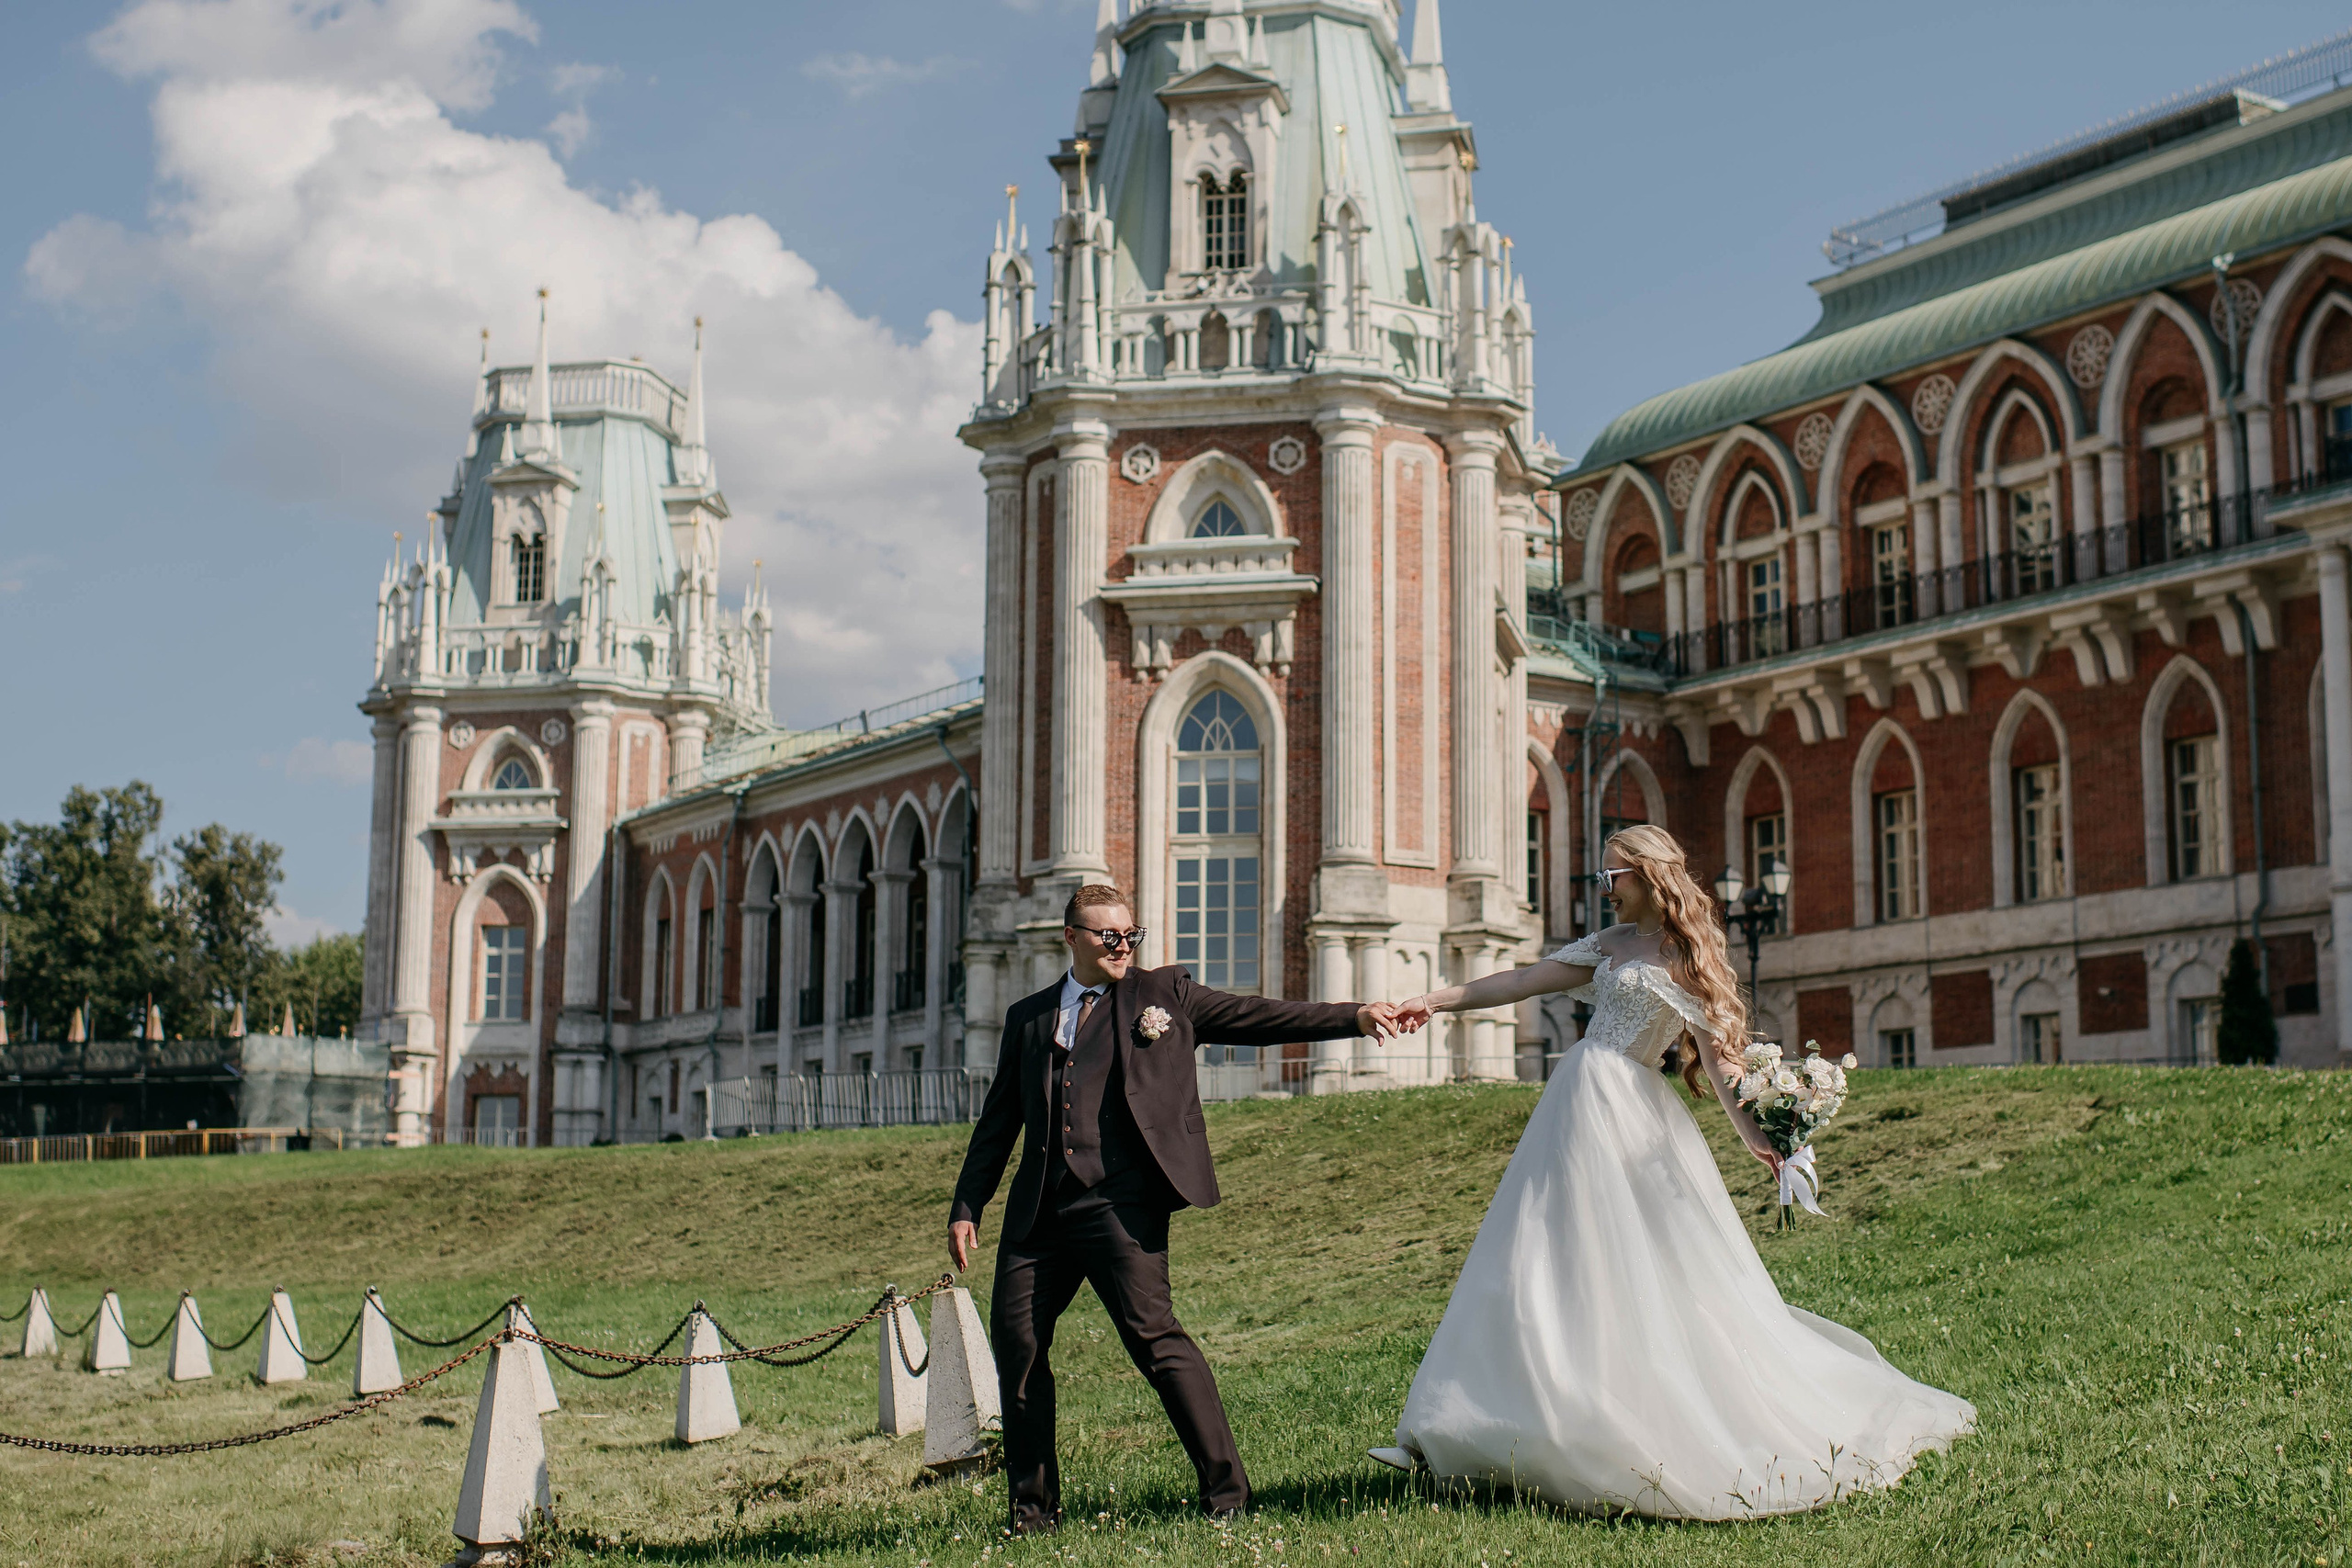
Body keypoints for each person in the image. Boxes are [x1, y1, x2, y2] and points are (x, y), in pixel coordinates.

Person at [1370, 824, 1973, 1517]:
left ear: (1649, 875)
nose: (1606, 889)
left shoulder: (1686, 959)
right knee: (1525, 1256)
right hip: (1571, 1112)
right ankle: (1450, 1427)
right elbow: (1520, 978)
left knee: (1625, 1271)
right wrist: (1434, 1000)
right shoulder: (1608, 944)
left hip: (1627, 1119)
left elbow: (1721, 1067)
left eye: (1613, 876)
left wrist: (1760, 1134)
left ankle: (1603, 1425)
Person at [948, 884, 1402, 1535]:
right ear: (1070, 935)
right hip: (1038, 1215)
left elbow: (1260, 1016)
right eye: (1108, 936)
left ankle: (1228, 1492)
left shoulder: (1164, 995)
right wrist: (968, 1204)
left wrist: (1355, 1015)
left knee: (1155, 1340)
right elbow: (999, 1121)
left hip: (1120, 1205)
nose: (1122, 946)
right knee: (1017, 1348)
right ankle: (1032, 1511)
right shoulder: (1028, 1017)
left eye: (1130, 935)